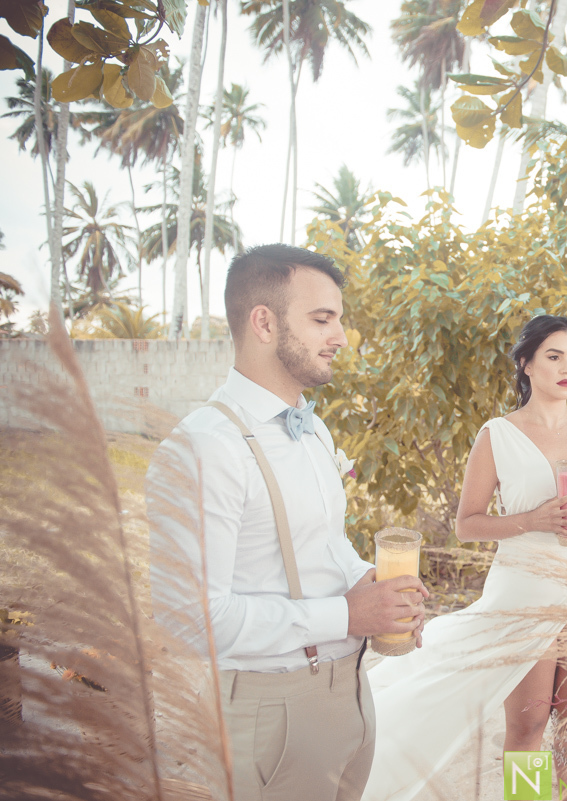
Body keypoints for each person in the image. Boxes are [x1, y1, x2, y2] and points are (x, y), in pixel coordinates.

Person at [147, 244, 429, 801]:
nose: (341, 337)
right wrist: (347, 614)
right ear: (264, 323)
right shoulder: (205, 446)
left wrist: (374, 585)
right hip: (269, 713)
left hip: (350, 698)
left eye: (339, 319)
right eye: (322, 319)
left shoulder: (313, 429)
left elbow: (325, 545)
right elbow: (191, 621)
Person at [362, 315, 567, 801]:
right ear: (526, 364)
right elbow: (468, 523)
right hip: (524, 592)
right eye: (554, 356)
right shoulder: (498, 434)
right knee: (528, 726)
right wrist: (534, 520)